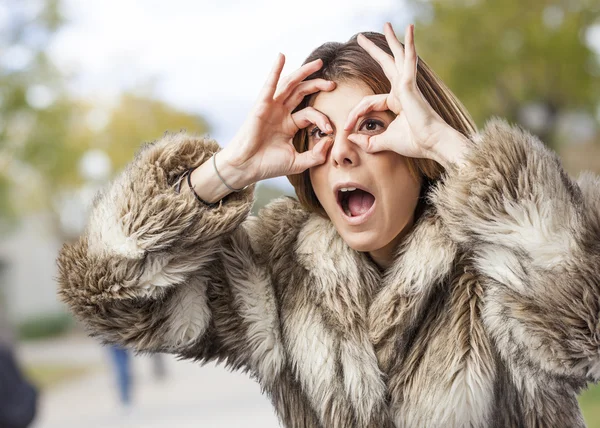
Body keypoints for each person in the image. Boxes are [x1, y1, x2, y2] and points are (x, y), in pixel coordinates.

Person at [56, 23, 600, 428]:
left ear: (415, 147)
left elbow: (587, 326)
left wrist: (450, 146)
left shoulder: (504, 251)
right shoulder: (279, 272)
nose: (340, 152)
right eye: (318, 135)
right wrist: (227, 170)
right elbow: (109, 297)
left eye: (371, 125)